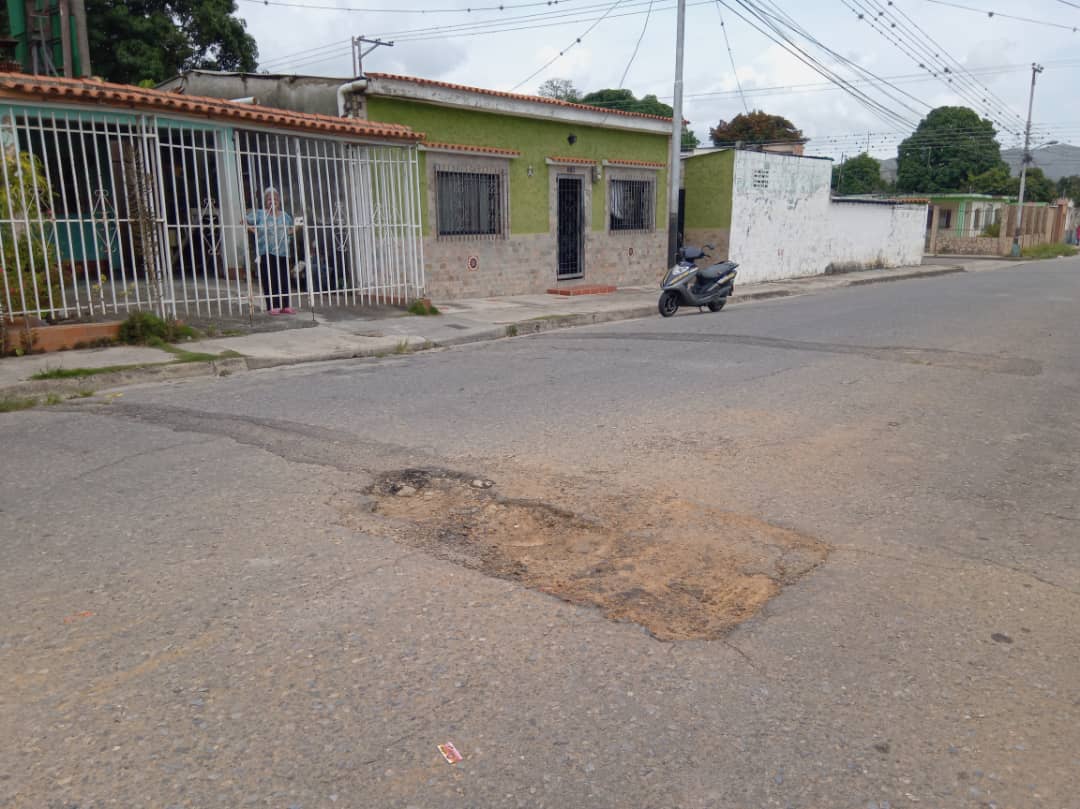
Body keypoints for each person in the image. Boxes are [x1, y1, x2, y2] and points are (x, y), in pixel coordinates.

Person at [246, 188, 301, 315]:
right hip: (266, 252)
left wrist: (297, 228)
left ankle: (286, 305)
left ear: (279, 201)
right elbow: (244, 221)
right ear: (266, 202)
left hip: (283, 252)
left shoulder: (285, 216)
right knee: (270, 279)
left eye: (275, 199)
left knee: (284, 278)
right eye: (270, 199)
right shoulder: (260, 214)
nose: (273, 201)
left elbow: (288, 231)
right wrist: (256, 232)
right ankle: (273, 306)